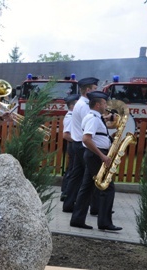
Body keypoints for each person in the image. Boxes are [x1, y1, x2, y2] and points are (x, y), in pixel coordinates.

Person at [69, 91, 122, 231]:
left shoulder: (94, 117)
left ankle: (77, 219)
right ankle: (105, 222)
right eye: (104, 103)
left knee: (87, 188)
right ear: (98, 104)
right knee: (107, 187)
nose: (106, 106)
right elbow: (86, 139)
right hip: (96, 155)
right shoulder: (93, 118)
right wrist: (102, 156)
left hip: (93, 155)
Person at [62, 77, 99, 213]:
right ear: (88, 90)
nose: (97, 91)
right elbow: (88, 125)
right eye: (95, 89)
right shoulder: (84, 105)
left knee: (76, 176)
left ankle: (69, 204)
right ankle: (95, 207)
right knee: (91, 176)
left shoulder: (81, 104)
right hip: (82, 145)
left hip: (77, 144)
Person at [60, 94, 80, 201]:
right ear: (72, 106)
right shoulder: (70, 117)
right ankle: (66, 192)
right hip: (73, 145)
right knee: (72, 169)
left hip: (74, 145)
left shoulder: (74, 116)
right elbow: (66, 135)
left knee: (72, 168)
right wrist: (78, 141)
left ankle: (67, 191)